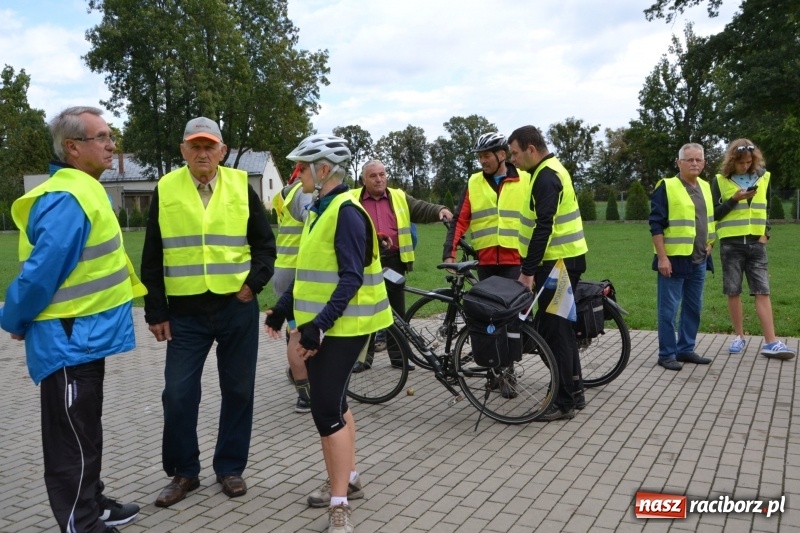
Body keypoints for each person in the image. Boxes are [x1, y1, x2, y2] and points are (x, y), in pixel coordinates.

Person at [0, 106, 144, 533]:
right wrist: (14, 318)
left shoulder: (85, 189)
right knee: (70, 437)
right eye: (101, 137)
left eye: (109, 136)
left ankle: (92, 502)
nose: (111, 144)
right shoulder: (67, 197)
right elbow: (41, 273)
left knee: (84, 428)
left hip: (84, 335)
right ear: (73, 147)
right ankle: (80, 522)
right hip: (68, 338)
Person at [140, 117, 276, 507]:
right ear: (183, 150)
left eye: (209, 146)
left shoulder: (239, 185)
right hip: (185, 313)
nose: (202, 153)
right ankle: (184, 473)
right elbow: (152, 257)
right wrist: (156, 312)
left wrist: (253, 284)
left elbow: (265, 246)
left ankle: (230, 468)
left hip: (236, 307)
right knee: (178, 394)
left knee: (238, 391)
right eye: (194, 146)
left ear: (221, 150)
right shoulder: (166, 188)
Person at [265, 134, 392, 533]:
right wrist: (281, 311)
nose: (297, 174)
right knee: (335, 404)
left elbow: (351, 278)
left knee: (325, 410)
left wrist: (317, 327)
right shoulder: (319, 210)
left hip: (344, 328)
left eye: (302, 167)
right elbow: (308, 276)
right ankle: (349, 479)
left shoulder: (347, 212)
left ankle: (339, 506)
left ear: (323, 170)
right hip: (327, 326)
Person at [508, 125, 588, 422]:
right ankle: (575, 392)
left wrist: (527, 272)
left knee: (555, 333)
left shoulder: (545, 176)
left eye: (515, 153)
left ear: (531, 148)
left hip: (557, 265)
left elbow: (545, 227)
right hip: (562, 262)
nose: (512, 159)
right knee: (561, 329)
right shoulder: (547, 170)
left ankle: (562, 401)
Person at [353, 159, 453, 371]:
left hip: (394, 261)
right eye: (373, 176)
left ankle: (399, 358)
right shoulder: (353, 199)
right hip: (365, 263)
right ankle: (363, 359)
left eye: (382, 174)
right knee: (366, 311)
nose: (379, 179)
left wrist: (439, 210)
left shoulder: (398, 196)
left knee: (397, 313)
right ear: (364, 180)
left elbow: (420, 208)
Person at [712, 139, 796, 360]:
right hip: (730, 244)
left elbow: (766, 208)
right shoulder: (720, 181)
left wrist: (765, 234)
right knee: (733, 291)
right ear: (732, 160)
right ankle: (739, 336)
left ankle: (771, 342)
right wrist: (734, 199)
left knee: (762, 290)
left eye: (749, 162)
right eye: (741, 163)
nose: (746, 166)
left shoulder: (764, 177)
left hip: (756, 243)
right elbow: (715, 214)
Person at [649, 143, 716, 371]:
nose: (694, 163)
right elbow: (656, 224)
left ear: (704, 163)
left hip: (699, 259)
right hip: (674, 260)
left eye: (698, 160)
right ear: (679, 163)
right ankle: (666, 354)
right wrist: (662, 258)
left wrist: (710, 243)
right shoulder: (667, 186)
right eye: (689, 160)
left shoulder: (706, 187)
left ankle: (685, 349)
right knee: (668, 311)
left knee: (693, 308)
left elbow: (709, 219)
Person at [443, 132, 530, 281]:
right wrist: (449, 253)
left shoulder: (526, 180)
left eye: (487, 156)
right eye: (480, 157)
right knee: (487, 304)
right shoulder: (473, 182)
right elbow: (459, 220)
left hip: (517, 261)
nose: (482, 161)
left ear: (502, 155)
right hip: (485, 262)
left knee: (517, 304)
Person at [274, 163, 315, 412]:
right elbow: (314, 220)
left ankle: (302, 388)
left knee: (294, 331)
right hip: (299, 273)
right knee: (300, 335)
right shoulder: (303, 192)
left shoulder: (285, 192)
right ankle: (306, 395)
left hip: (283, 269)